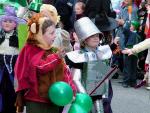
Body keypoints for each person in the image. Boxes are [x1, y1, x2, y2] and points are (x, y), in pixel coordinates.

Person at [14, 13, 76, 113]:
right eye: (51, 33)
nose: (55, 36)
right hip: (36, 100)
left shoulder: (53, 50)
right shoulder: (30, 49)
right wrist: (56, 57)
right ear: (39, 34)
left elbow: (64, 72)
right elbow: (40, 66)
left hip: (53, 99)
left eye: (55, 32)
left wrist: (72, 90)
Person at [66, 17, 114, 113]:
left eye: (97, 35)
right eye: (92, 36)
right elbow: (75, 79)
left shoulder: (101, 54)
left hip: (101, 97)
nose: (96, 38)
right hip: (85, 97)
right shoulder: (78, 57)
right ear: (84, 39)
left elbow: (105, 76)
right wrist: (84, 96)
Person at [0, 5, 26, 113]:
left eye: (10, 21)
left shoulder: (19, 37)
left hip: (14, 74)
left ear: (15, 24)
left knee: (13, 95)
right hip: (1, 72)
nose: (7, 23)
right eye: (5, 21)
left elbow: (24, 29)